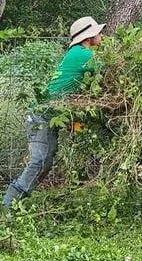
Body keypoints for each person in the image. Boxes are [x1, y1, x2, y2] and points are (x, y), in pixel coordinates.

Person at [2, 16, 105, 208]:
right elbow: (107, 73)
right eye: (98, 32)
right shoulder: (84, 55)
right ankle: (8, 205)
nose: (101, 34)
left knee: (45, 161)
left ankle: (16, 205)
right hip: (43, 115)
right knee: (39, 161)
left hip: (47, 114)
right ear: (89, 36)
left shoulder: (76, 52)